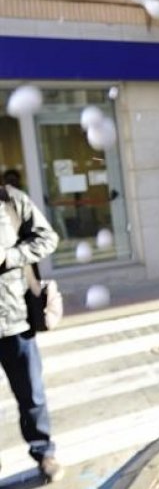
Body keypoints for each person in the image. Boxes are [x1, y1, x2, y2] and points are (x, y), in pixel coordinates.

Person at [0, 174, 64, 482]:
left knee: (31, 396)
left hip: (14, 318)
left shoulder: (10, 200)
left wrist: (10, 255)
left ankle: (43, 452)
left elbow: (47, 238)